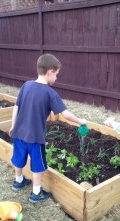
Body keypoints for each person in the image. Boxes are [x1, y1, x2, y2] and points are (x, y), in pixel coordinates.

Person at [9, 53, 86, 203]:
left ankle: (18, 181)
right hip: (35, 137)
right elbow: (66, 114)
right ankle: (36, 193)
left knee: (19, 159)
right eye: (56, 74)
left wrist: (13, 125)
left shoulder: (26, 85)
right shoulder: (50, 93)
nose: (56, 78)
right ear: (50, 72)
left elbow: (16, 107)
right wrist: (81, 121)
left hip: (18, 133)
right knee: (37, 164)